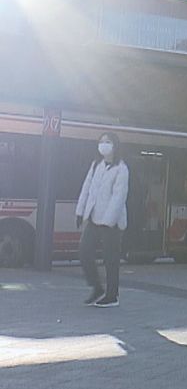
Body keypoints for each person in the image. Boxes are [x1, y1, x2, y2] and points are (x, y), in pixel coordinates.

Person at [76, 132, 129, 308]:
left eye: (107, 142)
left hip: (111, 223)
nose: (103, 145)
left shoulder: (121, 168)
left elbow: (118, 197)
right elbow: (87, 188)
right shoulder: (96, 165)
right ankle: (97, 288)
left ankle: (112, 295)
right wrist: (80, 211)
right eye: (101, 142)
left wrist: (108, 222)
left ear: (115, 145)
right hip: (93, 217)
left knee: (110, 258)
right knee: (84, 252)